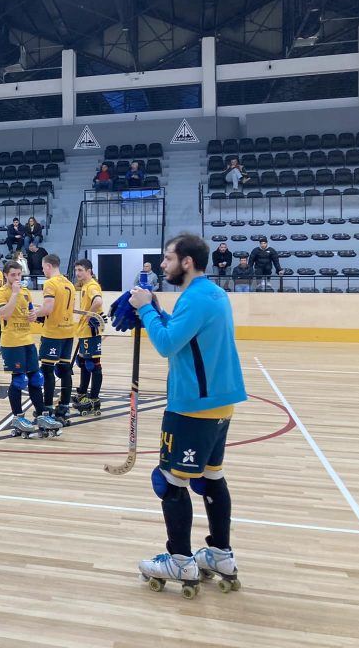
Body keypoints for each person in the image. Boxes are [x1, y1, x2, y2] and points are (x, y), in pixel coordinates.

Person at [128, 233, 247, 594]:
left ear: (187, 262)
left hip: (193, 405)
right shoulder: (213, 293)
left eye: (167, 258)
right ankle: (219, 553)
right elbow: (187, 337)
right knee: (212, 477)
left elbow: (166, 344)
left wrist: (146, 309)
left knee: (170, 481)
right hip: (220, 403)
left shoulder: (194, 299)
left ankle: (180, 560)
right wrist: (160, 311)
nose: (162, 265)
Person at [0, 261, 62, 437]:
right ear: (6, 276)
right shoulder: (0, 293)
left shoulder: (25, 292)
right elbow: (5, 314)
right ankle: (17, 417)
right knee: (19, 381)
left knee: (36, 378)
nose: (17, 278)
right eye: (13, 275)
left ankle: (41, 415)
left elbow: (31, 313)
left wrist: (33, 315)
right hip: (11, 342)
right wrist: (14, 294)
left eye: (19, 274)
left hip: (27, 339)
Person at [37, 253, 76, 425]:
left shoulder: (50, 283)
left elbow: (48, 308)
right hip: (68, 332)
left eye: (43, 267)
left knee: (47, 369)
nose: (43, 270)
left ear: (48, 266)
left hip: (53, 332)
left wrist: (33, 314)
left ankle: (47, 408)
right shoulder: (69, 283)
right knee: (65, 369)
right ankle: (64, 406)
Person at [73, 259, 104, 415]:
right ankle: (83, 393)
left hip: (91, 331)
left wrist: (87, 315)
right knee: (84, 363)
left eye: (80, 270)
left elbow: (98, 301)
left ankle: (94, 399)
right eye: (76, 270)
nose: (78, 273)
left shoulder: (92, 286)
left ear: (89, 271)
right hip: (84, 331)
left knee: (93, 364)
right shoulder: (84, 286)